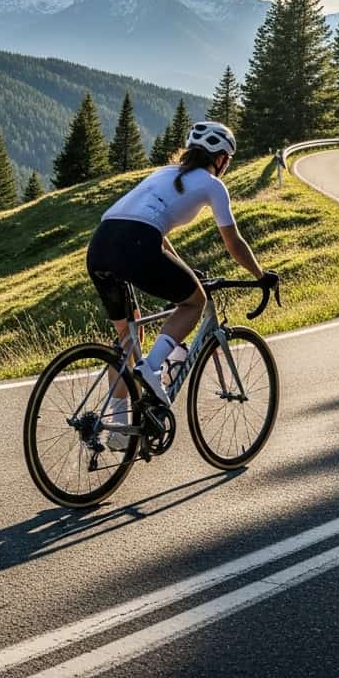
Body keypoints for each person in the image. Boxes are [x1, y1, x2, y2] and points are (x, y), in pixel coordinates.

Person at [86, 122, 277, 443]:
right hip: (136, 243)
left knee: (127, 338)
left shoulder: (164, 173)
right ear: (220, 159)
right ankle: (153, 367)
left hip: (100, 245)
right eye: (227, 159)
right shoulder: (212, 185)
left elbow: (153, 233)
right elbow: (234, 242)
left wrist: (184, 270)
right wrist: (261, 275)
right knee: (195, 302)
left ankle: (118, 429)